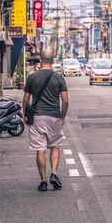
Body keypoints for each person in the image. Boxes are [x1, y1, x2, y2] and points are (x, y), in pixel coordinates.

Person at [23, 50, 69, 192]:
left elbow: (25, 99)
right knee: (55, 146)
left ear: (40, 59)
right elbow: (65, 100)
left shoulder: (32, 77)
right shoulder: (59, 77)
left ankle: (43, 181)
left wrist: (25, 115)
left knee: (40, 149)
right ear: (53, 61)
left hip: (37, 117)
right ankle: (54, 174)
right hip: (54, 116)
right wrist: (62, 116)